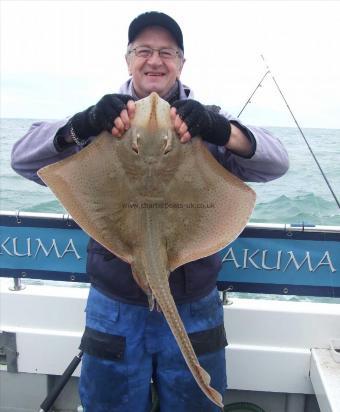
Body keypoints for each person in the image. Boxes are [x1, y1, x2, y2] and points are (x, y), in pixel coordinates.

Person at [11, 11, 289, 412]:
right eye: (143, 51)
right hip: (117, 304)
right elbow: (22, 159)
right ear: (128, 60)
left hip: (193, 300)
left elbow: (276, 163)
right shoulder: (102, 122)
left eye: (166, 52)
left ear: (181, 62)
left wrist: (220, 130)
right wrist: (83, 125)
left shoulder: (205, 123)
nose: (154, 60)